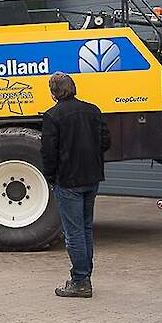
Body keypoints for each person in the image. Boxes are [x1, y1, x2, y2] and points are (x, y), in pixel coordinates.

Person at [41, 72, 110, 298]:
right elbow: (106, 141)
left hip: (68, 181)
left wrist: (51, 178)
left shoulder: (53, 116)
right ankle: (85, 275)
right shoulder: (93, 110)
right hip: (92, 178)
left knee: (74, 233)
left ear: (53, 93)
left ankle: (80, 281)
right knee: (86, 228)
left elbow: (49, 153)